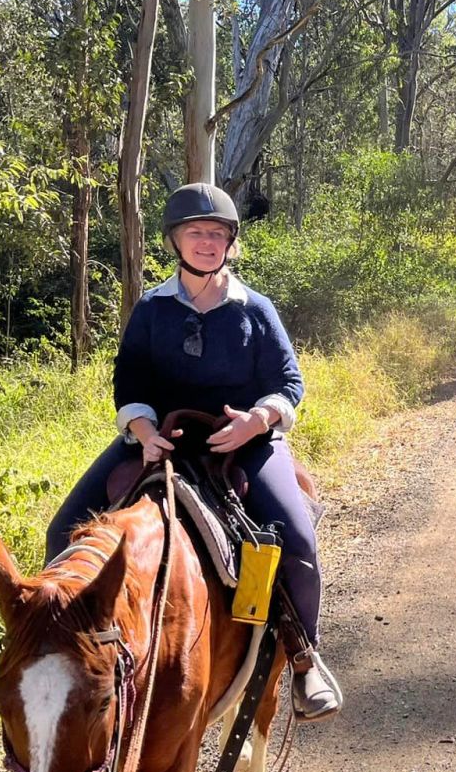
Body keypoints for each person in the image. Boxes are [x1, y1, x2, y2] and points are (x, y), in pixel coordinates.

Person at [45, 184, 343, 720]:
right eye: (195, 232)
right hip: (162, 443)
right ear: (176, 241)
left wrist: (258, 419)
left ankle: (304, 659)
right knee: (61, 529)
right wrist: (140, 424)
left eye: (217, 234)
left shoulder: (256, 309)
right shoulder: (152, 309)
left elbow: (288, 381)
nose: (207, 242)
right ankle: (53, 652)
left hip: (244, 445)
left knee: (295, 538)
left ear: (230, 243)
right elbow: (128, 380)